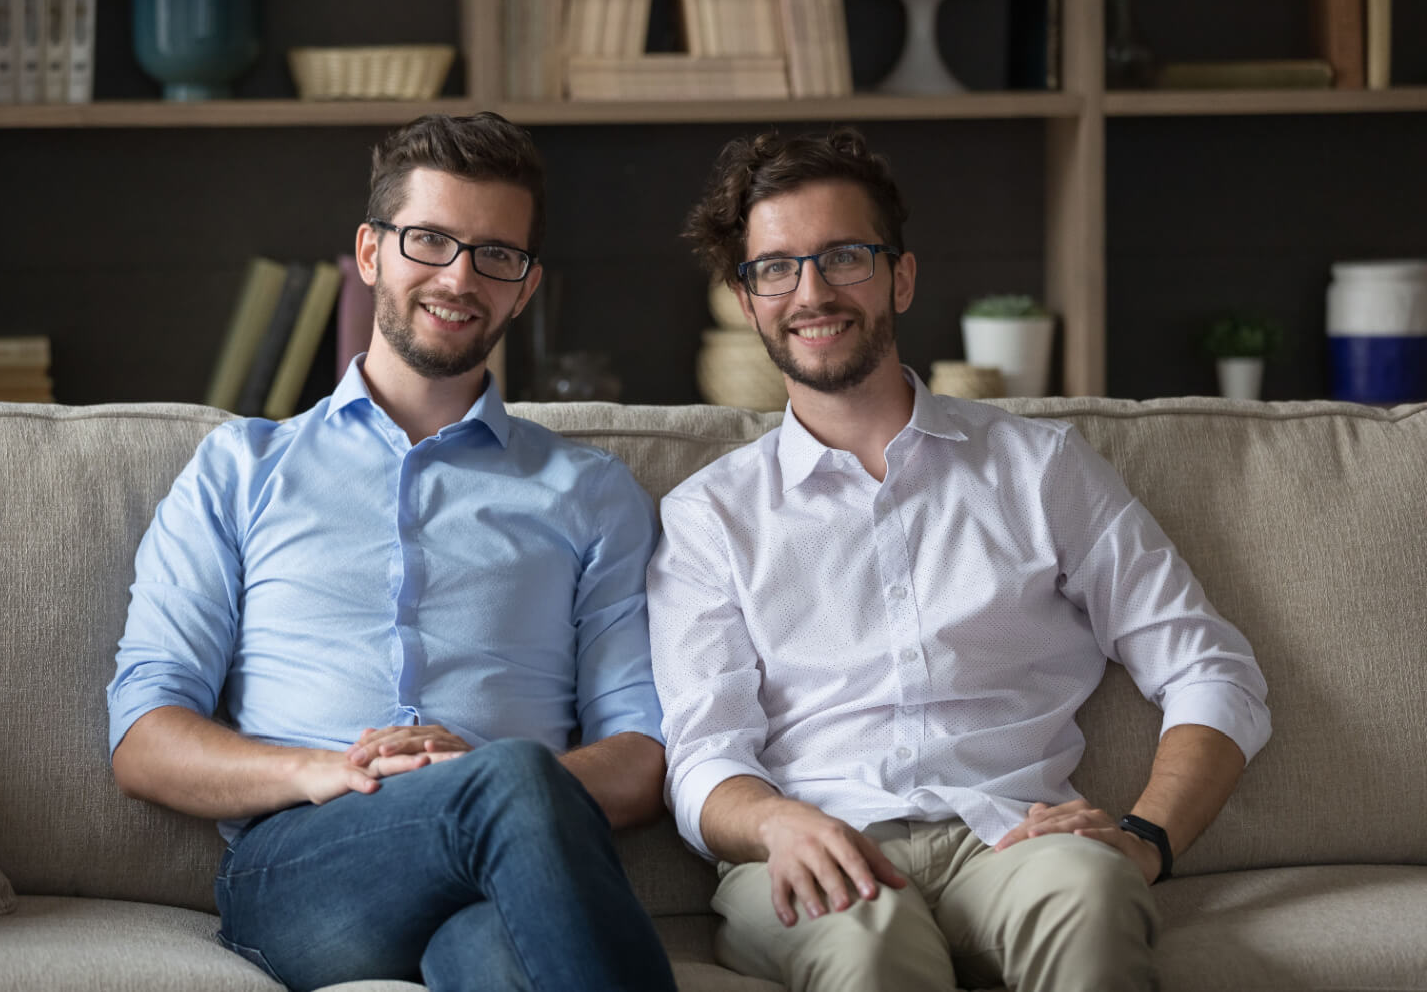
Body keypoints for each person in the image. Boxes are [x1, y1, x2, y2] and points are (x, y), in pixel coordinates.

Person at [647, 128, 1271, 992]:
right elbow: (704, 756)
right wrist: (779, 825)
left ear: (901, 276)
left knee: (1092, 893)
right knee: (870, 949)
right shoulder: (709, 517)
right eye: (777, 268)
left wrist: (1147, 837)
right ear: (748, 301)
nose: (812, 291)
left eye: (845, 257)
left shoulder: (1039, 467)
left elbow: (1212, 670)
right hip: (814, 848)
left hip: (1012, 839)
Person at [106, 112, 677, 992]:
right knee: (510, 779)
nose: (460, 277)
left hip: (512, 871)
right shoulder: (242, 468)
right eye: (430, 241)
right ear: (370, 254)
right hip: (306, 867)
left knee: (490, 956)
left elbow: (639, 755)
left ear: (524, 287)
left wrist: (496, 790)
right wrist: (326, 773)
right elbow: (145, 738)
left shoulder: (589, 492)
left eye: (497, 255)